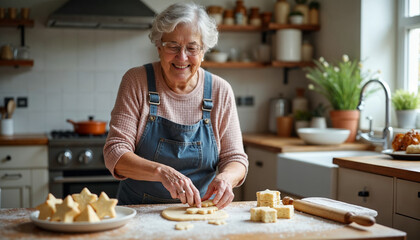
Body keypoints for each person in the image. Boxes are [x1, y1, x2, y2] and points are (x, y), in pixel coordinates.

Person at [103, 2, 248, 209]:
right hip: (138, 211)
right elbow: (115, 153)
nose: (182, 57)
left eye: (192, 47)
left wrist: (226, 178)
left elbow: (235, 158)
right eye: (173, 46)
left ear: (203, 51)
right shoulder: (136, 81)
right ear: (158, 47)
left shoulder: (220, 91)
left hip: (198, 211)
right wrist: (162, 173)